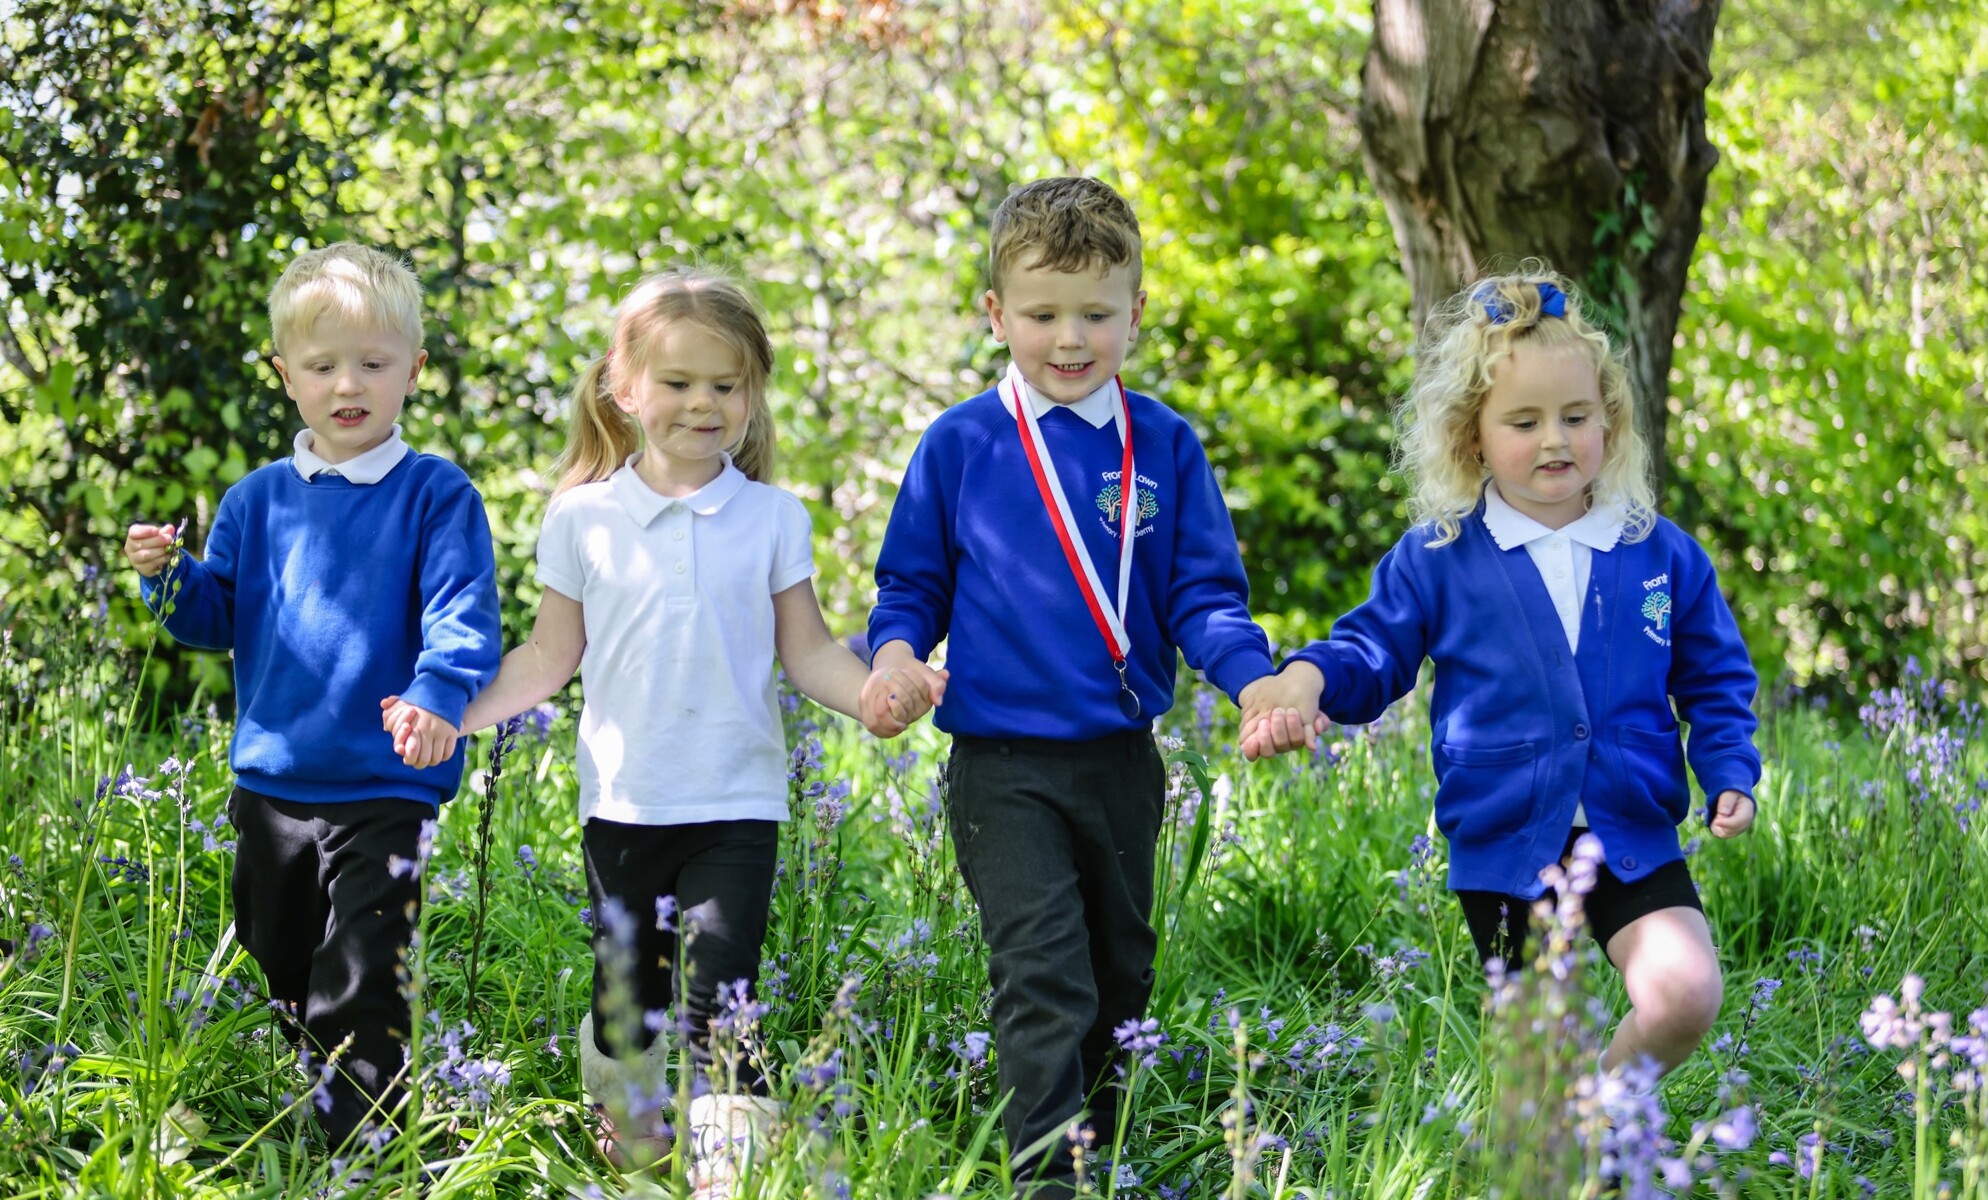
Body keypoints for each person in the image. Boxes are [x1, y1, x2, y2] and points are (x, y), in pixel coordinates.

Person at [385, 266, 933, 1191]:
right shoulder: (583, 519)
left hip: (736, 802)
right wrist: (448, 709)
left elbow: (807, 653)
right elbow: (546, 659)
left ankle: (731, 1174)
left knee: (724, 1003)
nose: (704, 403)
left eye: (726, 385)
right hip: (623, 808)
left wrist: (875, 696)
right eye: (679, 383)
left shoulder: (771, 518)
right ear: (626, 389)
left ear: (752, 394)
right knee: (627, 1010)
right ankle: (639, 1156)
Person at [868, 176, 1291, 1198]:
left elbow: (1205, 599)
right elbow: (910, 585)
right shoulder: (960, 444)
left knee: (1116, 981)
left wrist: (1255, 685)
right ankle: (1042, 1183)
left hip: (1119, 763)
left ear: (1135, 311)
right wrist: (892, 658)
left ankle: (1090, 1161)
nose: (1069, 338)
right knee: (1043, 973)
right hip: (1000, 768)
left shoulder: (1165, 448)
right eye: (1042, 313)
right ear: (995, 314)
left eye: (1095, 314)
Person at [1242, 266, 1760, 1081]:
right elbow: (1370, 651)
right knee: (1533, 1080)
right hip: (1507, 840)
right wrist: (1304, 680)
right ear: (1471, 435)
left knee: (1685, 992)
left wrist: (1729, 768)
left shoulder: (1658, 552)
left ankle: (1603, 1129)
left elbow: (1716, 679)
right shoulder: (1440, 558)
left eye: (1576, 417)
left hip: (1632, 833)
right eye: (1524, 421)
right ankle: (1562, 1152)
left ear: (1610, 421)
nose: (1554, 439)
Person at [123, 242, 503, 1149]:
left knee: (369, 969)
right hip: (274, 781)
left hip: (386, 782)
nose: (349, 385)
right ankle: (308, 1091)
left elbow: (464, 613)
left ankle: (367, 1142)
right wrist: (168, 576)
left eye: (373, 364)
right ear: (283, 376)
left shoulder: (435, 493)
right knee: (282, 960)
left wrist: (437, 696)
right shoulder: (255, 501)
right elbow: (218, 617)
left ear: (412, 369)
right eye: (323, 365)